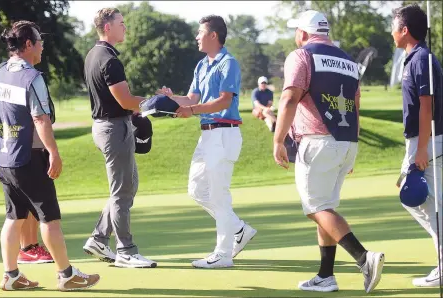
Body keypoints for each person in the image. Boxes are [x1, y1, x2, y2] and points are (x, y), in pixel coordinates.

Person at [272, 10, 385, 293]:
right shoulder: (347, 60)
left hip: (317, 141)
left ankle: (363, 259)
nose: (295, 36)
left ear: (304, 33)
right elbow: (356, 105)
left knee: (316, 207)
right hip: (346, 140)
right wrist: (352, 146)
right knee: (325, 207)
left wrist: (278, 140)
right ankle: (325, 275)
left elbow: (288, 99)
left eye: (296, 30)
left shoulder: (301, 56)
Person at [0, 20, 99, 291]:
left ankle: (11, 276)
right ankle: (67, 275)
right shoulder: (32, 77)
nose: (42, 45)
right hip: (30, 157)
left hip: (5, 157)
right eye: (39, 41)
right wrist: (54, 153)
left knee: (14, 217)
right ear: (28, 45)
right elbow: (41, 119)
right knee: (50, 218)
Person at [157, 15, 257, 269]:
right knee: (197, 190)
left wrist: (193, 110)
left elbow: (224, 101)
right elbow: (191, 98)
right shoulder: (202, 65)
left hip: (224, 133)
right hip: (208, 135)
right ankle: (238, 228)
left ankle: (223, 254)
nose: (197, 36)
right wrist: (172, 99)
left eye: (200, 32)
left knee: (219, 194)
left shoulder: (229, 63)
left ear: (213, 35)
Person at [82, 8, 157, 268]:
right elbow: (125, 100)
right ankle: (126, 250)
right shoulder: (109, 59)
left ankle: (99, 238)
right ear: (107, 27)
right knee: (122, 192)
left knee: (128, 186)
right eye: (121, 23)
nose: (125, 27)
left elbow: (121, 100)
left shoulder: (94, 54)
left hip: (108, 126)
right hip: (114, 129)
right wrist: (155, 101)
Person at [391, 4, 443, 287]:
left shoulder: (422, 58)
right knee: (421, 198)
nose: (391, 33)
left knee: (421, 199)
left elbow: (427, 106)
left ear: (404, 30)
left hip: (428, 140)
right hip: (423, 140)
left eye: (394, 27)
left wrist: (422, 149)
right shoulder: (414, 58)